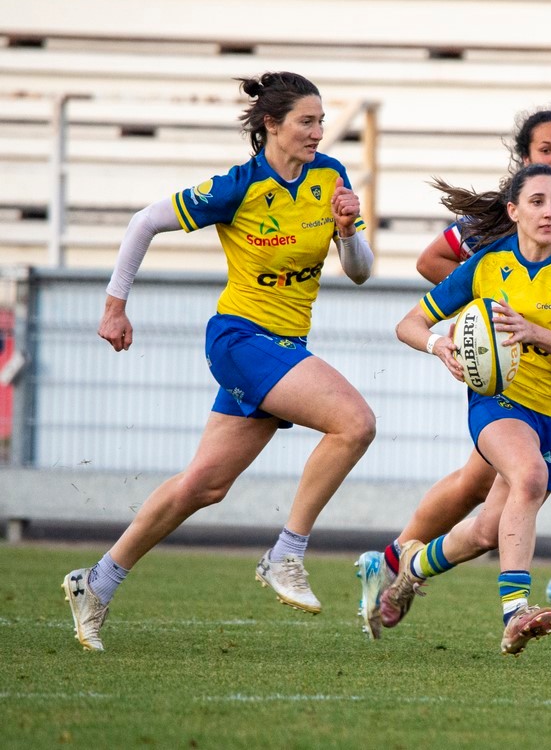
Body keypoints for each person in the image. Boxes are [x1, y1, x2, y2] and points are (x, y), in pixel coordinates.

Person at [61, 72, 377, 652]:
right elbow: (143, 222)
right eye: (306, 121)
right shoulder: (238, 187)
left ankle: (95, 582)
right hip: (241, 339)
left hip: (283, 347)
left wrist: (347, 231)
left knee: (203, 486)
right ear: (271, 124)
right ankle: (286, 554)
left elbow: (359, 271)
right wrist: (114, 306)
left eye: (321, 121)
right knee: (355, 423)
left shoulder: (330, 177)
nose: (317, 131)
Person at [355, 106, 551, 640]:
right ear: (517, 191)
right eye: (545, 152)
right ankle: (523, 608)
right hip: (506, 388)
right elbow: (423, 286)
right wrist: (466, 332)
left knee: (488, 525)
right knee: (527, 477)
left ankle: (403, 565)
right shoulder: (493, 249)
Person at [388, 162, 551, 655]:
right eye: (537, 202)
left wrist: (532, 332)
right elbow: (408, 323)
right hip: (500, 400)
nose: (549, 212)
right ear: (513, 211)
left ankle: (413, 566)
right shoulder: (488, 264)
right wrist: (438, 345)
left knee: (487, 532)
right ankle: (515, 614)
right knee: (528, 477)